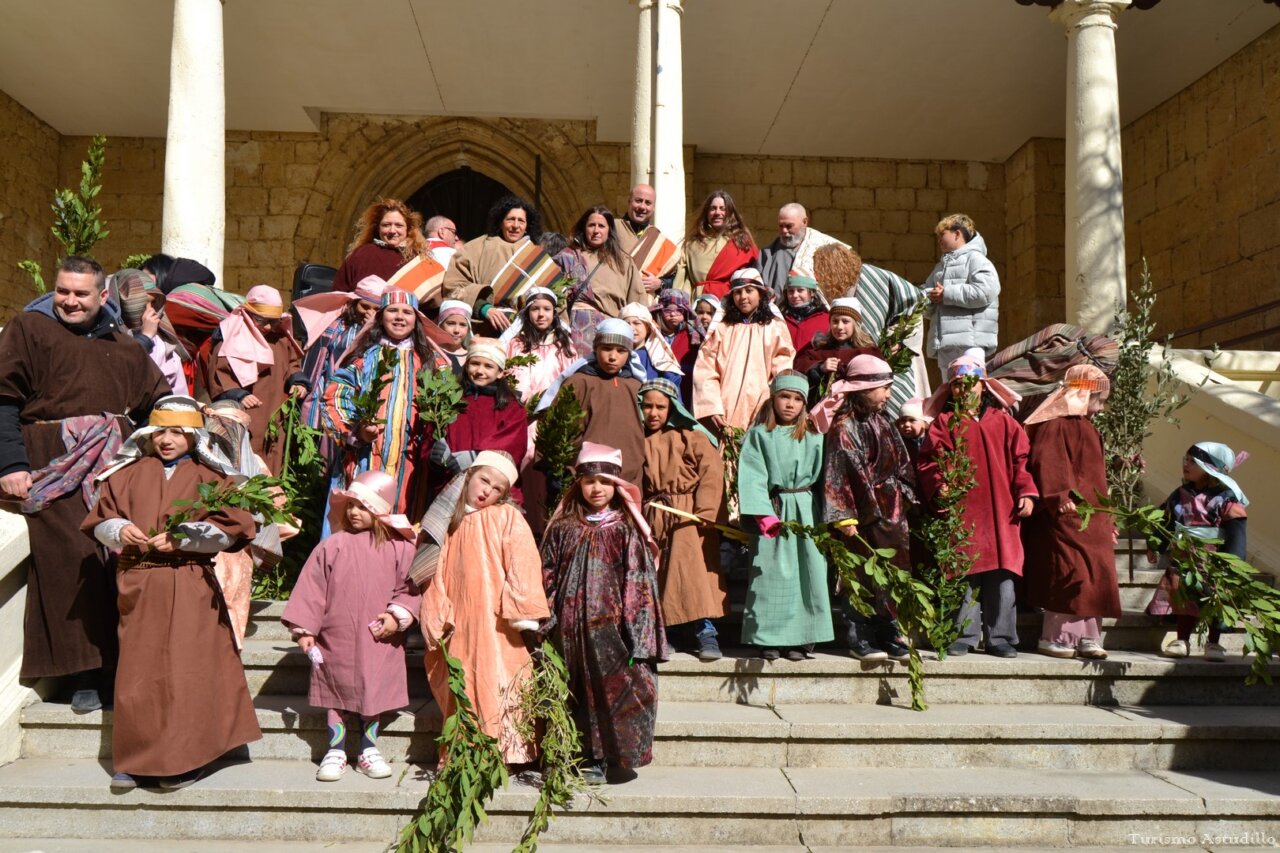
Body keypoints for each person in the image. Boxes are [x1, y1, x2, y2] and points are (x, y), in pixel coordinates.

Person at [0, 256, 169, 710]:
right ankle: (83, 675)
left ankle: (119, 669)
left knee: (119, 559)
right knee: (71, 560)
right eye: (63, 291)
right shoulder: (29, 330)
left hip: (113, 471)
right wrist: (10, 463)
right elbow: (3, 400)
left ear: (102, 296)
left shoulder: (125, 345)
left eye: (80, 294)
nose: (69, 301)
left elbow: (160, 403)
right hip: (51, 467)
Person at [83, 395, 260, 789]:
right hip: (140, 582)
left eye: (177, 432)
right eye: (160, 431)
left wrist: (186, 537)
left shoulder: (211, 476)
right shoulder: (126, 473)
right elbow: (101, 518)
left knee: (187, 671)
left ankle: (186, 756)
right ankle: (132, 759)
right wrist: (117, 529)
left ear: (193, 435)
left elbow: (236, 528)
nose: (167, 439)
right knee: (138, 675)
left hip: (190, 580)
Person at [539, 443, 666, 783]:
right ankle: (564, 752)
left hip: (612, 634)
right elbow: (546, 574)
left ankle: (602, 757)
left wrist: (640, 636)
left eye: (605, 482)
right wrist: (544, 616)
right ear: (578, 484)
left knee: (612, 692)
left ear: (616, 486)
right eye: (589, 481)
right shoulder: (563, 528)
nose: (597, 489)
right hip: (566, 631)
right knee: (569, 692)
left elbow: (639, 584)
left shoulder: (625, 531)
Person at [283, 470, 421, 781]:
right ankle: (337, 748)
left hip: (379, 635)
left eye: (363, 507)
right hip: (337, 634)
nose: (354, 513)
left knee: (373, 690)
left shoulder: (401, 548)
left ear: (379, 510)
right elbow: (313, 588)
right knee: (336, 689)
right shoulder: (333, 546)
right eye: (351, 506)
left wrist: (397, 616)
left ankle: (368, 748)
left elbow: (411, 588)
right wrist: (305, 630)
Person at [420, 451, 550, 765]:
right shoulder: (445, 519)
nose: (486, 491)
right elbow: (432, 571)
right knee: (464, 679)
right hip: (460, 616)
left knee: (502, 676)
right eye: (484, 481)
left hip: (496, 617)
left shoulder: (506, 517)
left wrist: (522, 608)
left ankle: (507, 750)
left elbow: (523, 560)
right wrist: (437, 609)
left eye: (497, 489)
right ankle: (465, 751)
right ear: (469, 476)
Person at [918, 356, 1037, 658]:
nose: (963, 390)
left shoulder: (1006, 423)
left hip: (1001, 510)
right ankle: (962, 635)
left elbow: (1020, 462)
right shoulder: (943, 425)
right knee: (963, 573)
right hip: (963, 511)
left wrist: (1026, 492)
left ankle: (1001, 637)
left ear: (983, 387)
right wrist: (939, 484)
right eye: (957, 385)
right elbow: (929, 462)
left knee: (1002, 575)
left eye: (970, 384)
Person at [816, 355, 918, 662]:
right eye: (884, 388)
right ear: (864, 389)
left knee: (890, 573)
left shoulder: (883, 421)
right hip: (862, 515)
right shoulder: (844, 427)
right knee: (859, 573)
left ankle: (889, 630)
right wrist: (844, 515)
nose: (888, 395)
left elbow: (902, 462)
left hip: (892, 512)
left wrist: (903, 493)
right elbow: (838, 474)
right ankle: (858, 634)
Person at [1022, 365, 1120, 660]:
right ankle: (1058, 637)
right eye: (1098, 400)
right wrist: (1059, 494)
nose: (1100, 409)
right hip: (1068, 512)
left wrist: (1110, 517)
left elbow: (1098, 478)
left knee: (1095, 574)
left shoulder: (1088, 428)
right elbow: (1048, 461)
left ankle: (1089, 637)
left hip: (1094, 514)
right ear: (1082, 393)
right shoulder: (1056, 424)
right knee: (1069, 570)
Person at [324, 290, 451, 516]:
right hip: (368, 453)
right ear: (381, 316)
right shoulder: (365, 356)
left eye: (407, 312)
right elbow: (337, 395)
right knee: (365, 512)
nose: (400, 317)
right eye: (393, 311)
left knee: (407, 510)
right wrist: (357, 432)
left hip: (413, 457)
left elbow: (447, 402)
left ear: (416, 319)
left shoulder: (433, 361)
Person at [738, 372, 832, 661]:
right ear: (773, 398)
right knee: (772, 574)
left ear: (804, 404)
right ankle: (769, 637)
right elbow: (753, 475)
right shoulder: (759, 435)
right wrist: (762, 513)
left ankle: (803, 639)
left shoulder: (815, 436)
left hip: (806, 510)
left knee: (809, 571)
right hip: (776, 508)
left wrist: (830, 515)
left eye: (797, 399)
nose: (790, 404)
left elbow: (827, 477)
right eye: (784, 397)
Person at [638, 379, 727, 662]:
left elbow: (711, 474)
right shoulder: (638, 439)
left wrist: (706, 510)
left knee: (692, 573)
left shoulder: (692, 436)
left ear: (672, 408)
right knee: (661, 574)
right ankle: (670, 632)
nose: (653, 412)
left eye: (660, 407)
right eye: (647, 406)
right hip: (655, 513)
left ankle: (706, 632)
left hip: (689, 514)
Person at [1146, 442, 1250, 661]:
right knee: (1183, 594)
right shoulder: (1180, 494)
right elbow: (1165, 521)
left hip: (1215, 558)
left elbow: (1236, 532)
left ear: (1209, 467)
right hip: (1185, 557)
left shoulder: (1227, 499)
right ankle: (1182, 639)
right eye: (1186, 459)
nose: (1187, 464)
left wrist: (1234, 562)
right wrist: (1156, 544)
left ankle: (1214, 643)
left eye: (1194, 461)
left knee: (1216, 597)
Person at [814, 244, 929, 418]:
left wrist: (898, 340)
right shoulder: (838, 288)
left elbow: (917, 300)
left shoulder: (874, 278)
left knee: (898, 405)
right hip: (863, 357)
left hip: (894, 350)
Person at [208, 284, 309, 475]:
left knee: (273, 456)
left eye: (274, 321)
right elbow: (219, 374)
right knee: (246, 459)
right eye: (262, 321)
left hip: (276, 411)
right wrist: (237, 395)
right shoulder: (231, 335)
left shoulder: (280, 337)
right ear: (248, 313)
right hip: (246, 414)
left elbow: (291, 364)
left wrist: (297, 381)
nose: (269, 327)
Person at [535, 318, 647, 483]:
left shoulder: (635, 386)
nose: (612, 357)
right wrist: (556, 469)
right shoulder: (579, 382)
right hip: (587, 478)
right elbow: (557, 428)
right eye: (606, 349)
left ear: (629, 353)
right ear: (595, 349)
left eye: (621, 351)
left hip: (630, 478)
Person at [423, 337, 529, 499]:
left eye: (488, 366)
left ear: (500, 372)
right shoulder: (449, 400)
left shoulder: (512, 407)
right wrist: (434, 456)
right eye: (474, 363)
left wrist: (476, 458)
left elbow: (512, 446)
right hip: (451, 487)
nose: (480, 371)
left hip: (490, 493)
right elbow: (430, 438)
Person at [693, 268, 795, 436]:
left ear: (761, 294)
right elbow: (706, 369)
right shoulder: (722, 328)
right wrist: (712, 406)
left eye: (749, 291)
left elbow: (782, 371)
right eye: (738, 292)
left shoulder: (774, 328)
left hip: (762, 406)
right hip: (724, 407)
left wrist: (769, 403)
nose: (743, 297)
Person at [295, 275, 388, 456]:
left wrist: (371, 326)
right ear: (354, 303)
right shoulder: (338, 325)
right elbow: (319, 362)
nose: (368, 312)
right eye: (364, 306)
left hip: (359, 399)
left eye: (376, 309)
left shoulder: (383, 333)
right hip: (329, 393)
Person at [442, 195, 544, 333]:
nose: (515, 225)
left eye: (521, 221)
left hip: (526, 333)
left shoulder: (536, 255)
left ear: (527, 226)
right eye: (510, 219)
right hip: (484, 330)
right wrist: (484, 308)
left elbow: (551, 296)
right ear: (500, 222)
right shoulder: (477, 247)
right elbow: (453, 286)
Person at [921, 213, 1001, 373]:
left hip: (971, 343)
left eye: (942, 235)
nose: (938, 241)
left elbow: (985, 291)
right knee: (949, 396)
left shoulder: (976, 259)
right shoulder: (940, 267)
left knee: (969, 392)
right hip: (946, 344)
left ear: (957, 234)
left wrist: (947, 294)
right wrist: (927, 298)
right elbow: (926, 293)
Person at [557, 206, 648, 317]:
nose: (596, 231)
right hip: (572, 327)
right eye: (591, 225)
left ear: (609, 230)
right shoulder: (568, 257)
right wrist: (563, 326)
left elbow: (637, 305)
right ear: (584, 228)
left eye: (601, 226)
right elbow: (556, 295)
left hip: (611, 328)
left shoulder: (624, 262)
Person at [114, 268, 190, 395]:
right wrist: (145, 337)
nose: (151, 311)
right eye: (142, 304)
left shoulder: (164, 342)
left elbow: (178, 392)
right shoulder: (110, 337)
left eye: (153, 303)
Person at [794, 297, 880, 406]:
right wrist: (819, 368)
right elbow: (799, 370)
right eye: (835, 321)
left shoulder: (869, 352)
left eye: (845, 321)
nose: (839, 327)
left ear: (855, 324)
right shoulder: (819, 350)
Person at [672, 190, 758, 299]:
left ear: (730, 212)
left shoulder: (742, 242)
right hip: (699, 303)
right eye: (713, 208)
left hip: (729, 301)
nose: (717, 212)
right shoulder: (692, 243)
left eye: (723, 209)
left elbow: (752, 277)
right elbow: (683, 275)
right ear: (706, 212)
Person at [332, 199, 426, 293]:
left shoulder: (418, 258)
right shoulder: (360, 254)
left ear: (408, 229)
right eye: (386, 225)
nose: (392, 231)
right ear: (378, 228)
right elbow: (338, 293)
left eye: (399, 225)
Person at [502, 287, 577, 404]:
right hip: (516, 409)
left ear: (554, 313)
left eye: (547, 309)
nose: (541, 314)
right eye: (535, 309)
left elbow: (570, 382)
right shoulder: (515, 344)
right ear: (527, 313)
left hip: (549, 409)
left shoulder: (563, 347)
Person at [758, 203, 848, 297]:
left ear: (805, 222)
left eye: (789, 226)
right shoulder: (767, 254)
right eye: (781, 226)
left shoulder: (826, 249)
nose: (784, 231)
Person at [612, 184, 669, 295]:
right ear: (629, 202)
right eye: (638, 201)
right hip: (612, 296)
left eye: (648, 203)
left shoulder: (659, 240)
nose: (642, 207)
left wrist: (660, 283)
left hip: (642, 305)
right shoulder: (611, 227)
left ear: (653, 207)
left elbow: (674, 277)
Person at [650, 290, 704, 405]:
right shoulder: (652, 334)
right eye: (668, 310)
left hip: (684, 390)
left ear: (685, 313)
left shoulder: (692, 338)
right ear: (660, 311)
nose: (673, 315)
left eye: (678, 311)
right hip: (657, 388)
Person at [620, 302, 683, 385]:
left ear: (648, 327)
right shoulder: (619, 354)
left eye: (637, 323)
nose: (631, 328)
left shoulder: (657, 355)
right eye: (627, 324)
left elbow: (673, 381)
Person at [779, 271, 830, 354]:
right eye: (791, 291)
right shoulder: (778, 319)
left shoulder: (826, 320)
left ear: (812, 293)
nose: (795, 295)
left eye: (800, 290)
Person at [435, 299, 473, 369]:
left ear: (468, 329)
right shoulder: (433, 353)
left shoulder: (472, 357)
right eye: (451, 323)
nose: (456, 330)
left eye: (462, 325)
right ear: (440, 325)